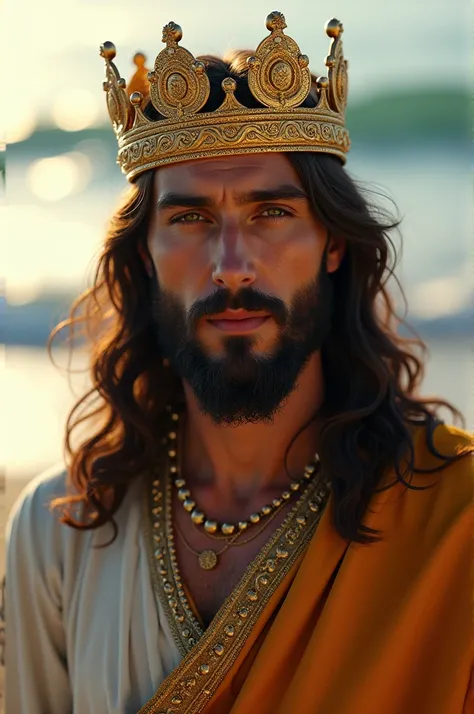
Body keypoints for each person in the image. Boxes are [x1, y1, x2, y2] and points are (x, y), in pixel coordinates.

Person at [6, 12, 473, 714]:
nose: (230, 267)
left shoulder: (455, 524)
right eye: (191, 219)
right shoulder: (59, 530)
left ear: (334, 245)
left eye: (272, 213)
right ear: (144, 256)